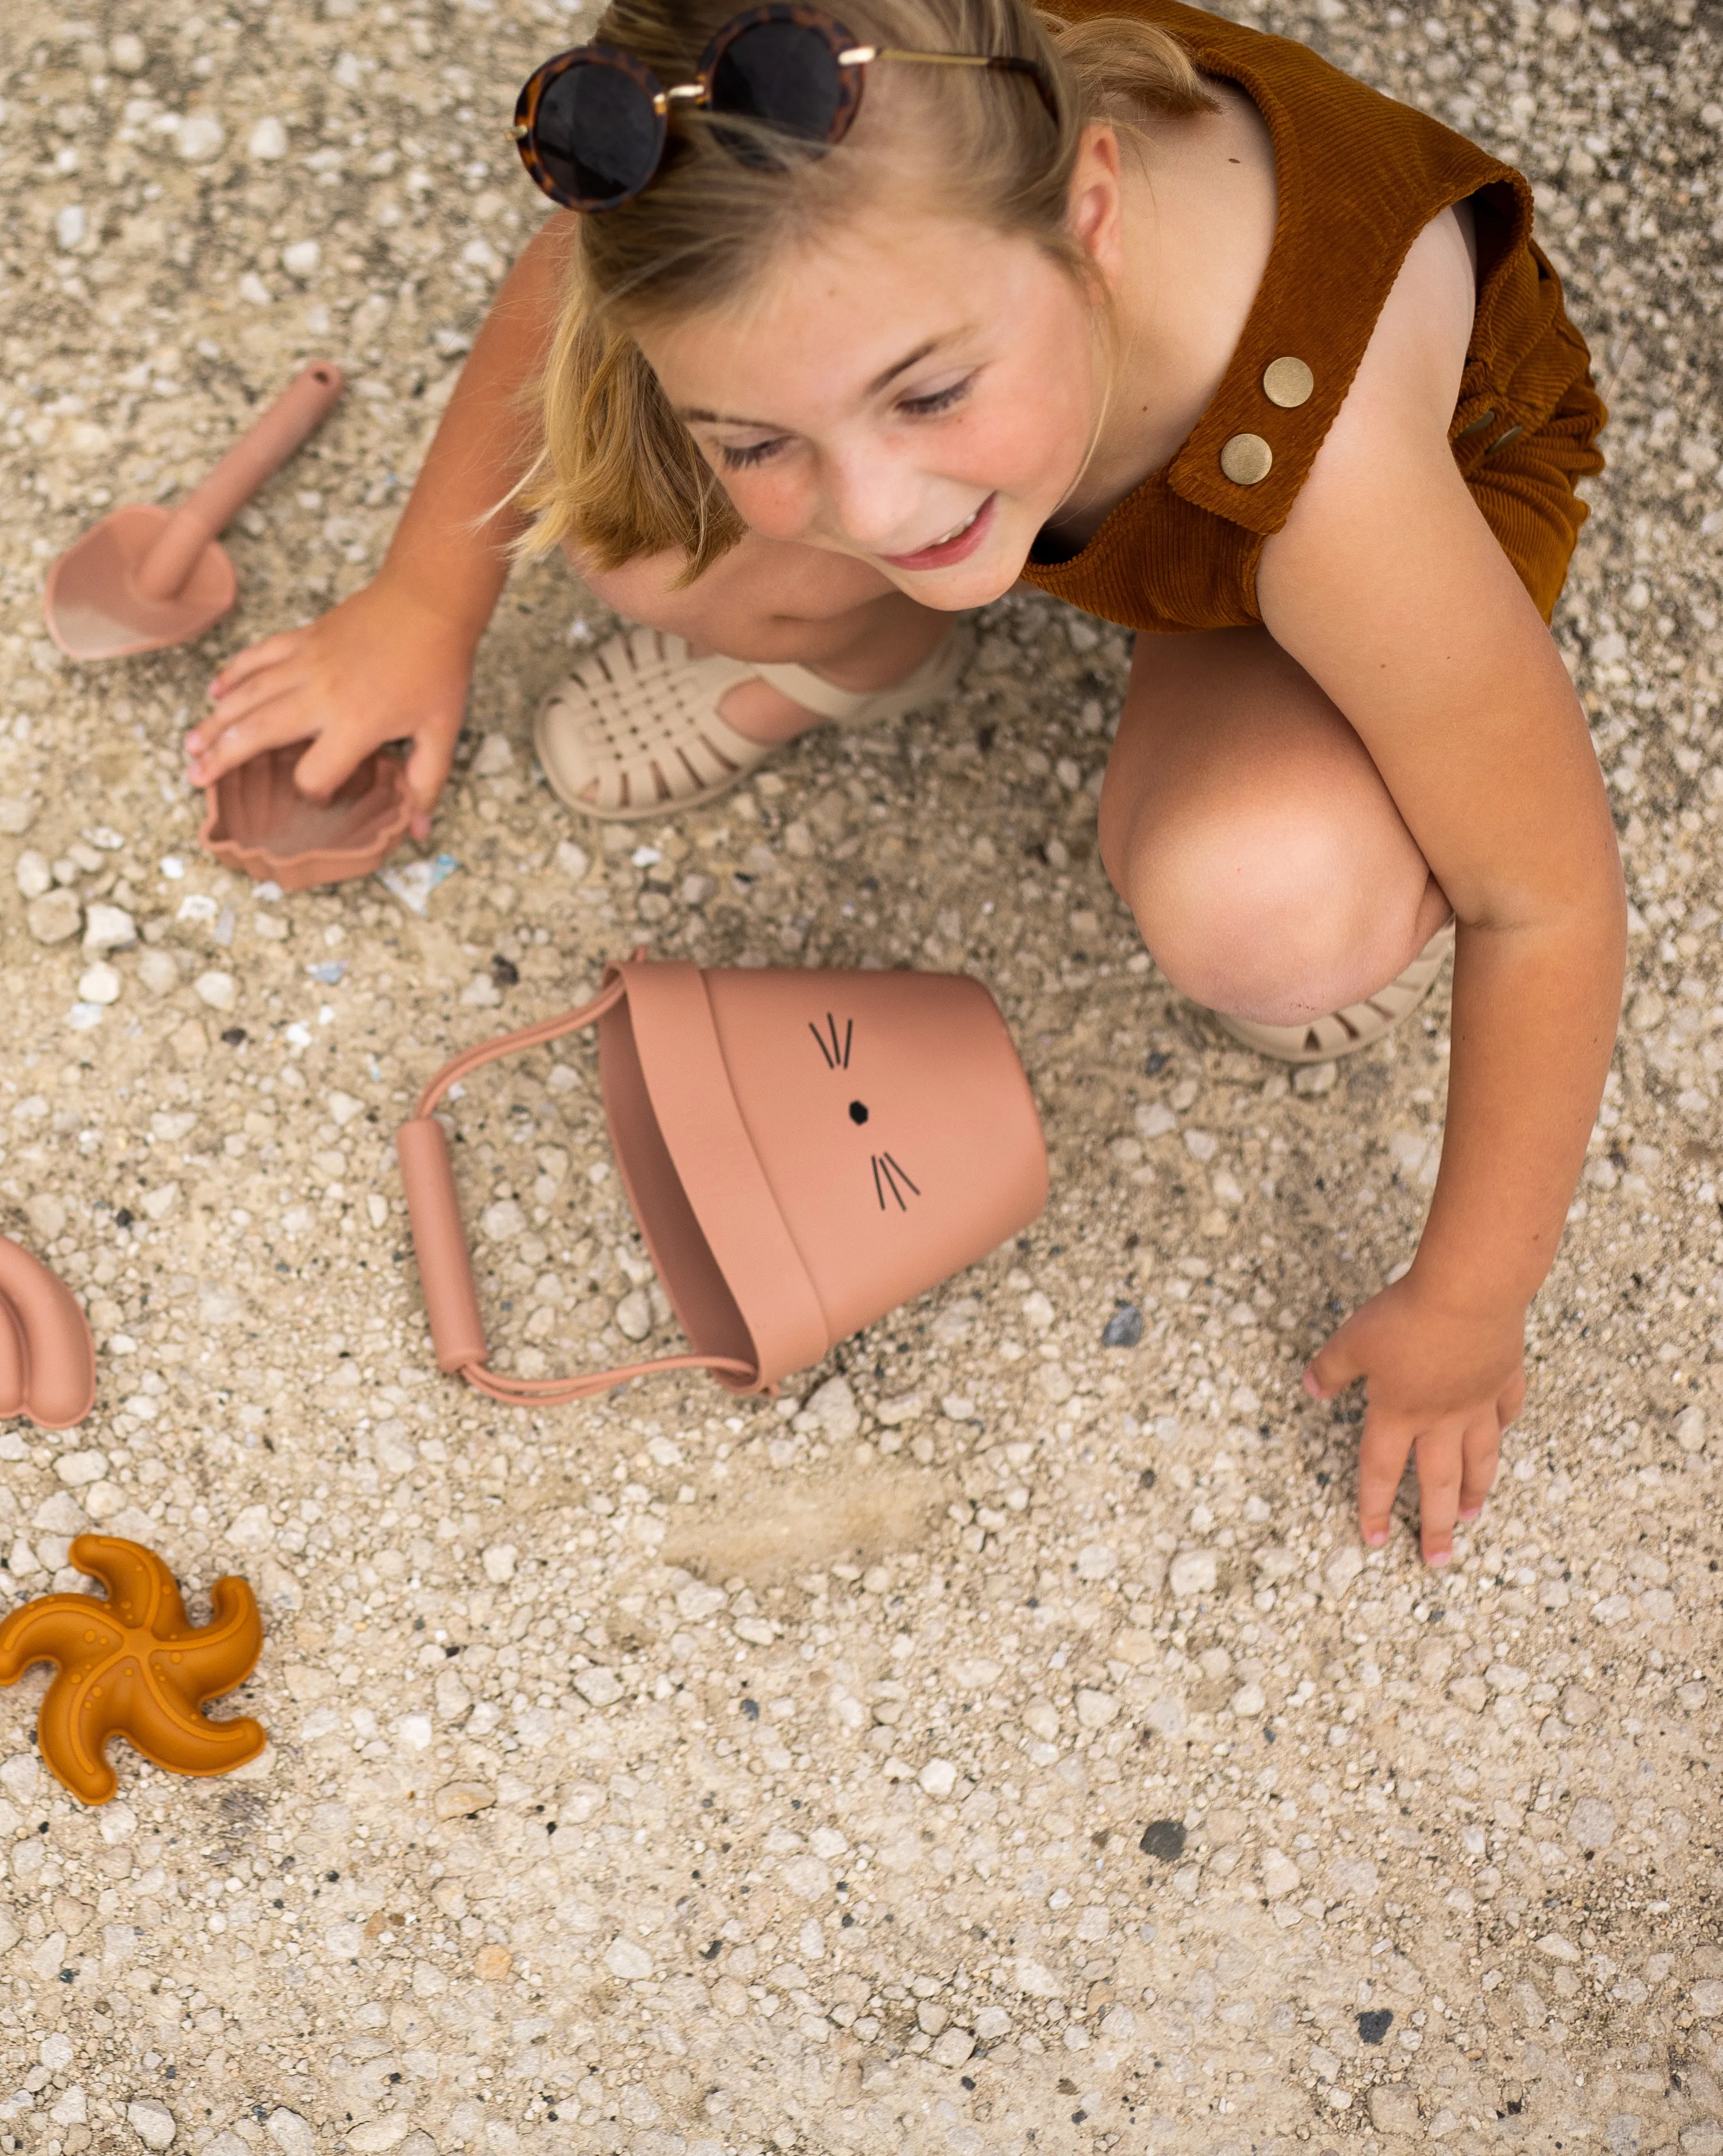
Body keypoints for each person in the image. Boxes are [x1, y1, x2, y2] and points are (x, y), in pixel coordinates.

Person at [186, 0, 1623, 1572]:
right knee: (627, 505)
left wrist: (1471, 1305)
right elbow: (581, 288)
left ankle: (1334, 809)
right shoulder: (829, 202)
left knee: (1263, 901)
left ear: (1090, 209)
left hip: (1289, 507)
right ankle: (853, 653)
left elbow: (1544, 893)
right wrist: (422, 606)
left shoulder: (1333, 469)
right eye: (767, 436)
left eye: (927, 393)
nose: (872, 502)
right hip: (1088, 425)